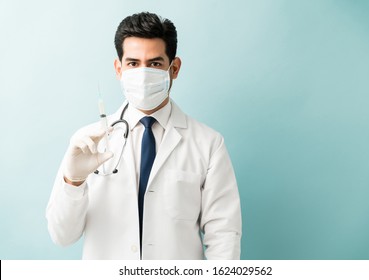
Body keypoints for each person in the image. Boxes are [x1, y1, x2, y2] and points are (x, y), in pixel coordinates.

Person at [46, 12, 241, 260]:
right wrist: (73, 181)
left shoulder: (208, 144)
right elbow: (62, 236)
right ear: (119, 68)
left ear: (175, 68)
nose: (143, 73)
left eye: (155, 64)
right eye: (133, 63)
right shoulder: (87, 143)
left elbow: (224, 235)